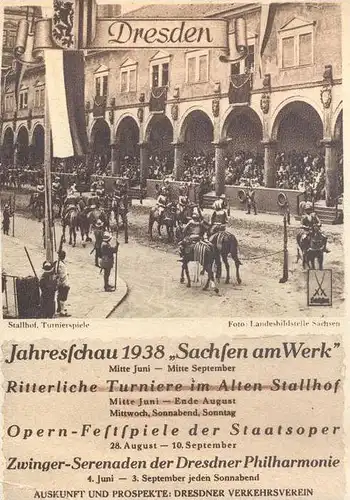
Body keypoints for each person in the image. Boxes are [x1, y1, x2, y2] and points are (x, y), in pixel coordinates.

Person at [55, 250, 70, 317]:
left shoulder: (59, 263)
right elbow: (61, 275)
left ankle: (60, 308)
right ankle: (62, 311)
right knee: (63, 297)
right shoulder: (60, 264)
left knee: (60, 295)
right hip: (63, 282)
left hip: (62, 281)